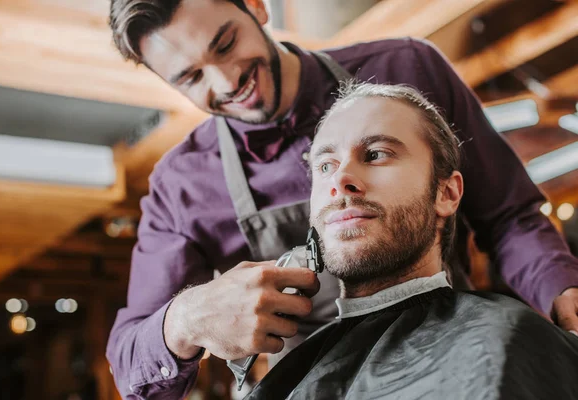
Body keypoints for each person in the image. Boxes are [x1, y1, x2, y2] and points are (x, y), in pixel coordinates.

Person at [104, 0, 578, 398]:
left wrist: (562, 290)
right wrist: (184, 320)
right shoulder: (182, 183)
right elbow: (130, 361)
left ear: (256, 6)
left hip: (449, 351)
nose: (227, 82)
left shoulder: (406, 67)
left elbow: (509, 215)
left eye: (226, 44)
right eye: (190, 78)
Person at [246, 82, 578, 400]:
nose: (340, 179)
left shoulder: (507, 340)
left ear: (446, 193)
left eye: (376, 154)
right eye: (325, 164)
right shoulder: (292, 375)